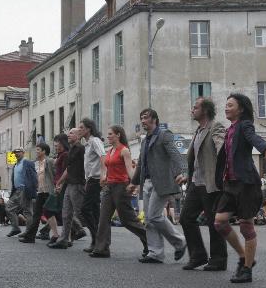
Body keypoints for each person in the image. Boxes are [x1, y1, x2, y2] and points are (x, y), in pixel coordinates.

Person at [212, 94, 266, 283]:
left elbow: (254, 138)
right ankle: (243, 257)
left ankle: (246, 269)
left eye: (230, 105)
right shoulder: (229, 130)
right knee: (219, 222)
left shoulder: (244, 126)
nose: (226, 108)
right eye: (226, 105)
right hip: (230, 184)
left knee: (246, 226)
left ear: (241, 109)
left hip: (246, 183)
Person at [128, 108, 187, 264]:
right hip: (146, 182)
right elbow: (141, 163)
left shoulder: (164, 134)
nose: (142, 121)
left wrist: (182, 172)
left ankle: (180, 242)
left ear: (154, 119)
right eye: (141, 118)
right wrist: (133, 183)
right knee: (148, 219)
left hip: (162, 182)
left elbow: (175, 154)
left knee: (154, 216)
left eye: (145, 117)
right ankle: (155, 253)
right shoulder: (145, 140)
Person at [178, 97, 228, 271]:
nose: (192, 109)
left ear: (205, 110)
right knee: (185, 218)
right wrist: (186, 175)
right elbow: (196, 158)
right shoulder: (198, 131)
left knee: (214, 222)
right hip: (195, 183)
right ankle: (198, 256)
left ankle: (219, 259)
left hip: (210, 183)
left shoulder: (216, 127)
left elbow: (222, 147)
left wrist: (223, 154)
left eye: (195, 107)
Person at [90, 125, 147, 258]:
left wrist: (135, 184)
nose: (108, 136)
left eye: (110, 134)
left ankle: (150, 242)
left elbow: (130, 169)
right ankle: (102, 248)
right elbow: (106, 168)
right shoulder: (109, 151)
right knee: (103, 218)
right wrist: (103, 177)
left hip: (121, 187)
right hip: (109, 187)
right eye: (108, 134)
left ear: (118, 135)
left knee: (127, 220)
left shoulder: (124, 150)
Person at [49, 128, 85, 249]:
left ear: (79, 135)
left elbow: (82, 167)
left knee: (81, 212)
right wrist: (60, 182)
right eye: (68, 133)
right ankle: (64, 239)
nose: (68, 135)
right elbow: (68, 169)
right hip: (69, 184)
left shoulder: (80, 148)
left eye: (71, 133)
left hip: (77, 183)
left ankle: (95, 237)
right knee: (66, 213)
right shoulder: (72, 150)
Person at [76, 118, 106, 253]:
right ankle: (97, 241)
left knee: (84, 209)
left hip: (96, 179)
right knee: (94, 211)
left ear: (88, 129)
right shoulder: (87, 144)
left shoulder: (95, 141)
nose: (79, 130)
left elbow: (103, 156)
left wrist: (103, 175)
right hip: (90, 180)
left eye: (81, 127)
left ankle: (98, 239)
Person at [19, 143, 55, 243]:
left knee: (52, 213)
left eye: (38, 150)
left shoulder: (50, 161)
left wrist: (57, 187)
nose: (36, 151)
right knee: (36, 215)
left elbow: (55, 175)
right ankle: (30, 237)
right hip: (40, 192)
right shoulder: (35, 163)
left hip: (49, 191)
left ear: (44, 151)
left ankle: (74, 230)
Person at [5, 148, 37, 237]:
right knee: (9, 208)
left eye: (18, 152)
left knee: (27, 211)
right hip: (17, 190)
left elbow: (34, 176)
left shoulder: (27, 162)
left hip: (25, 189)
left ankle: (29, 231)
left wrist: (33, 189)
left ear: (23, 152)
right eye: (15, 153)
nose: (16, 154)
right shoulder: (15, 164)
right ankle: (15, 228)